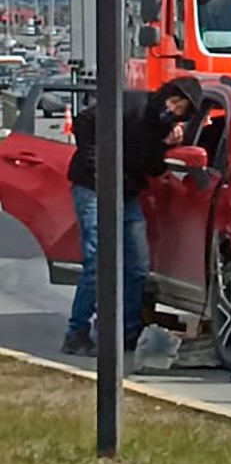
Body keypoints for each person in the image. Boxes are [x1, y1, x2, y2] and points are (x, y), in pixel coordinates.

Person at [61, 77, 203, 356]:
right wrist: (97, 162)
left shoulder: (164, 130)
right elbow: (84, 122)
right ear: (165, 94)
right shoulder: (132, 103)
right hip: (93, 187)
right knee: (98, 260)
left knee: (137, 265)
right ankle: (76, 332)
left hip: (126, 192)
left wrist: (164, 145)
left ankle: (128, 331)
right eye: (173, 101)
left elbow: (150, 168)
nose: (172, 109)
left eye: (180, 108)